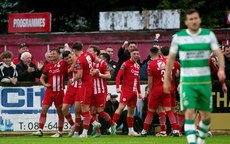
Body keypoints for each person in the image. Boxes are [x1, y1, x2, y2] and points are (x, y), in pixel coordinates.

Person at [163, 9, 226, 144]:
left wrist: (221, 69)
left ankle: (201, 138)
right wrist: (167, 79)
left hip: (204, 82)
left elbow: (219, 53)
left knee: (206, 117)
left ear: (199, 20)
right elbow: (170, 59)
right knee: (189, 113)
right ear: (186, 22)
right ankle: (193, 142)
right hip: (187, 82)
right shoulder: (179, 37)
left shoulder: (208, 35)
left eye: (195, 18)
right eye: (190, 19)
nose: (193, 21)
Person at [140, 47, 179, 137]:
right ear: (159, 53)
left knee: (150, 111)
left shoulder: (151, 65)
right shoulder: (166, 62)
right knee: (169, 111)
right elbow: (172, 75)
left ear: (150, 55)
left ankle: (144, 131)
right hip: (166, 89)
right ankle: (175, 130)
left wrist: (149, 90)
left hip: (156, 90)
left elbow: (150, 82)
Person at [32, 48, 68, 137]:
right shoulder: (48, 66)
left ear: (59, 55)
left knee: (60, 111)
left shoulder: (63, 63)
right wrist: (45, 84)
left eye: (54, 53)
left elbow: (71, 60)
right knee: (44, 109)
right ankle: (40, 130)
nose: (52, 55)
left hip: (59, 91)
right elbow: (42, 78)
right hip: (49, 91)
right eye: (51, 54)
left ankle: (59, 132)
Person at [71, 42, 101, 138]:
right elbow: (97, 60)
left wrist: (72, 79)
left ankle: (84, 132)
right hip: (88, 83)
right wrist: (93, 70)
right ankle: (94, 123)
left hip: (85, 85)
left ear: (74, 50)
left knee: (84, 109)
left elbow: (79, 75)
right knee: (81, 109)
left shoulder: (80, 60)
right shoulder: (88, 55)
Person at [87, 45, 117, 137]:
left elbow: (108, 76)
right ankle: (98, 133)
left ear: (95, 52)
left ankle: (112, 124)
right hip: (91, 90)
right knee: (92, 111)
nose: (87, 52)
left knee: (100, 111)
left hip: (101, 90)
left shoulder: (102, 63)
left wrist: (99, 73)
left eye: (90, 51)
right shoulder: (88, 63)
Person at [113, 48, 142, 137]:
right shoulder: (125, 64)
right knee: (121, 107)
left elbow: (137, 79)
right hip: (126, 90)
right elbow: (118, 76)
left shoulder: (138, 66)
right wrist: (118, 87)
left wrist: (139, 92)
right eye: (134, 54)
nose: (136, 55)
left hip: (133, 92)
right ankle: (112, 127)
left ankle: (131, 131)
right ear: (130, 55)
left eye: (137, 54)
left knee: (131, 111)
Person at [61, 50, 81, 137]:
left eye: (70, 57)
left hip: (80, 88)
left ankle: (76, 132)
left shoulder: (80, 62)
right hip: (71, 89)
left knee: (77, 111)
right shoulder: (67, 66)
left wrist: (76, 58)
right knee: (64, 109)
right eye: (67, 59)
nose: (69, 59)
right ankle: (73, 125)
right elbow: (70, 70)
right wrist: (75, 59)